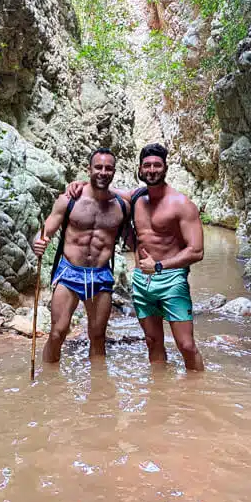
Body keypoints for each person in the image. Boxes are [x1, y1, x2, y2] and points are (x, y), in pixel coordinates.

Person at [67, 142, 205, 370]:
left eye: (157, 165)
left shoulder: (182, 204)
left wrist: (159, 265)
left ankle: (199, 393)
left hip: (172, 281)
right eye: (147, 165)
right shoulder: (136, 198)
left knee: (186, 345)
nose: (152, 170)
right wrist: (80, 184)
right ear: (140, 170)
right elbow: (101, 189)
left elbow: (197, 251)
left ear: (165, 168)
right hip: (142, 282)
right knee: (152, 342)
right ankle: (159, 397)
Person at [32, 148, 127, 362]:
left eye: (108, 168)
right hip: (69, 273)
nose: (103, 172)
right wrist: (38, 243)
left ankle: (98, 390)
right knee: (58, 332)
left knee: (98, 336)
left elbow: (135, 235)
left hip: (101, 275)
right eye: (98, 167)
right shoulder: (69, 200)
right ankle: (48, 380)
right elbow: (45, 231)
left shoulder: (121, 205)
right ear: (89, 169)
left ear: (114, 172)